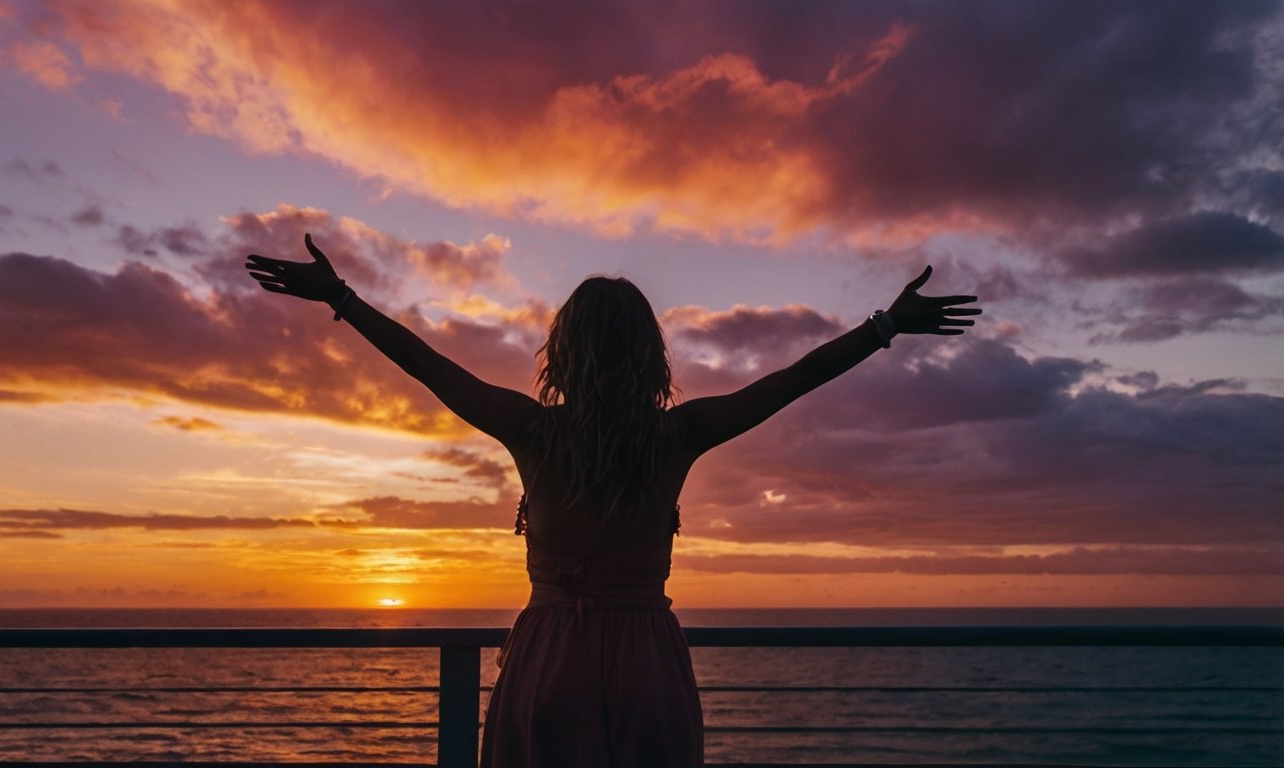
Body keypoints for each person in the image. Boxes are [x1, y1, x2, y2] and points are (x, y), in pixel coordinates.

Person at [245, 235, 981, 767]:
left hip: (550, 660)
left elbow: (426, 363)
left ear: (563, 350)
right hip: (645, 666)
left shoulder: (532, 429)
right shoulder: (680, 434)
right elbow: (792, 380)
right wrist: (884, 326)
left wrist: (340, 297)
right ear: (649, 353)